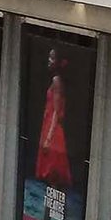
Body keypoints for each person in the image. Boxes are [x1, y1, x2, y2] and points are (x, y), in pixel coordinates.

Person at [35, 48, 73, 189]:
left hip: (53, 130)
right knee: (51, 174)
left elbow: (57, 112)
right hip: (50, 126)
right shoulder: (56, 80)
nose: (49, 61)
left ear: (57, 61)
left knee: (53, 172)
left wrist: (48, 139)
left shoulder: (57, 81)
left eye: (52, 58)